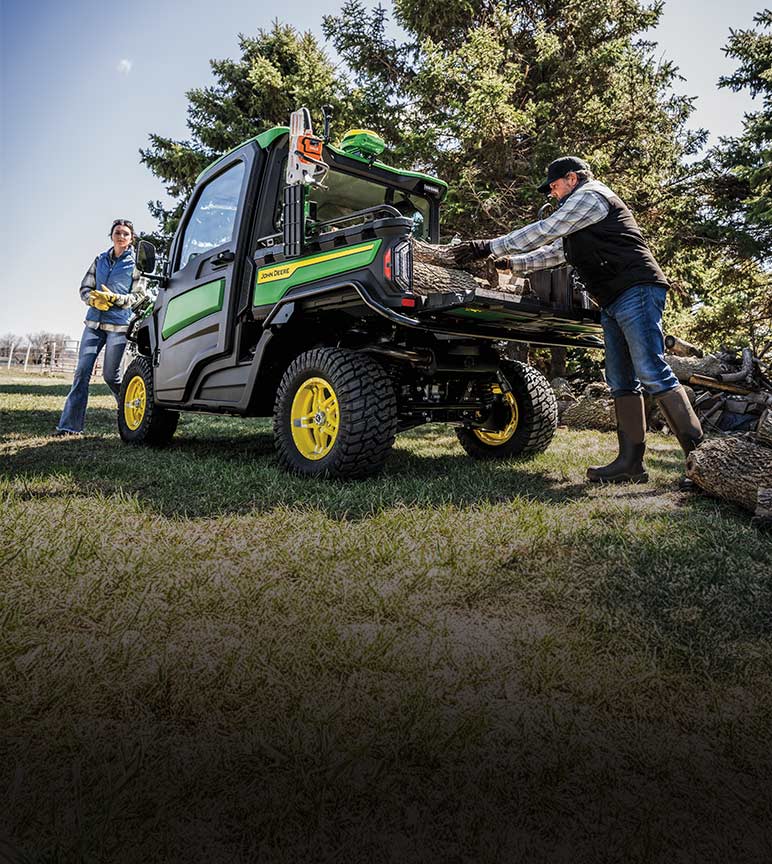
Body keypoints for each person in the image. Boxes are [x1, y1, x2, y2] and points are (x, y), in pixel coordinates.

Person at [449, 156, 703, 484]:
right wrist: (511, 264)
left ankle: (701, 464)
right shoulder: (579, 214)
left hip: (635, 289)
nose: (552, 194)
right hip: (613, 299)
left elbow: (545, 231)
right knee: (621, 380)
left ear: (572, 178)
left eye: (554, 186)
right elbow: (556, 252)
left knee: (652, 370)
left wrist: (487, 246)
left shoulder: (590, 195)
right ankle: (630, 464)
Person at [55, 219, 146, 436]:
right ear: (111, 235)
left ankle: (131, 410)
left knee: (110, 376)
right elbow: (84, 287)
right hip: (93, 324)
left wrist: (115, 298)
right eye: (117, 232)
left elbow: (139, 296)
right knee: (81, 372)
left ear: (131, 238)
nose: (121, 236)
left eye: (125, 233)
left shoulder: (136, 264)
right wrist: (93, 300)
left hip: (119, 326)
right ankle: (69, 426)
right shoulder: (100, 260)